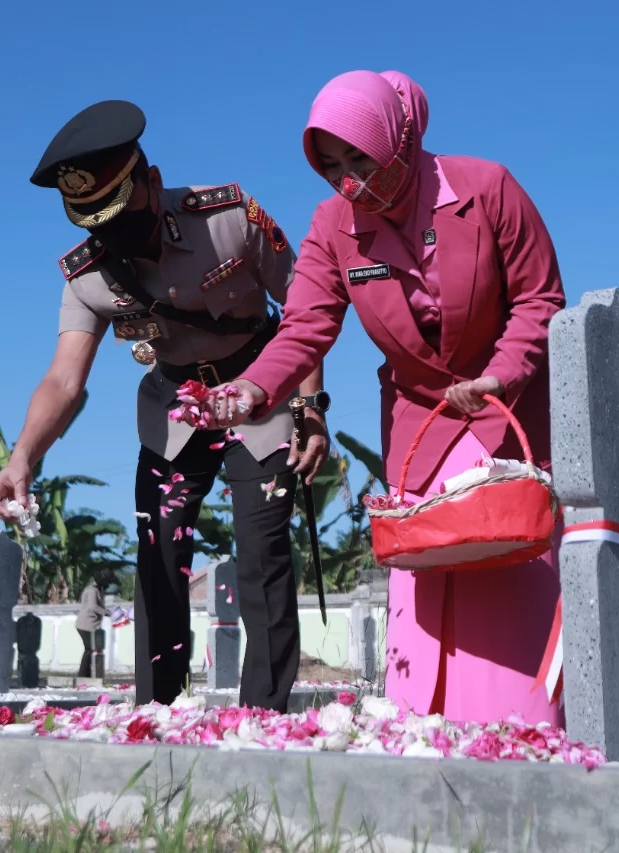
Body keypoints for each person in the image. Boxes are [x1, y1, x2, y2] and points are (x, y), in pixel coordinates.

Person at [207, 71, 567, 727]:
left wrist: (503, 373)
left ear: (398, 139)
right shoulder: (334, 226)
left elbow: (541, 297)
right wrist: (253, 388)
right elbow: (306, 325)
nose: (350, 182)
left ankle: (524, 724)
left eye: (360, 160)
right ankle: (424, 721)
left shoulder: (487, 189)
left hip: (506, 406)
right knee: (428, 561)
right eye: (332, 167)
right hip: (419, 419)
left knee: (509, 556)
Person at [0, 100, 332, 712]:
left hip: (259, 390)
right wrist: (22, 459)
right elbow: (64, 381)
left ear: (151, 182)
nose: (115, 239)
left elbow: (305, 316)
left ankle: (264, 718)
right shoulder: (87, 277)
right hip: (174, 407)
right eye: (97, 226)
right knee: (160, 553)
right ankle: (159, 713)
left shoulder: (229, 218)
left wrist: (310, 410)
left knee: (262, 555)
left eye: (123, 218)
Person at [76, 569, 115, 677]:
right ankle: (83, 676)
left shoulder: (98, 590)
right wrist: (106, 613)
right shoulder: (92, 590)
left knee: (89, 649)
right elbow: (93, 606)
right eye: (107, 581)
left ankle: (86, 675)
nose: (108, 584)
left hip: (90, 624)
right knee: (89, 649)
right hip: (86, 624)